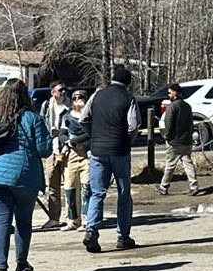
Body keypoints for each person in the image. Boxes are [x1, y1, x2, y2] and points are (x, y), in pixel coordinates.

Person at [0, 79, 51, 271]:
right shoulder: (31, 118)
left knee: (0, 221)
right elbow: (44, 149)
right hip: (23, 176)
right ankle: (22, 265)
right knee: (23, 221)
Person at [82, 61, 140, 254]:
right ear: (128, 83)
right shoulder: (128, 98)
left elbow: (83, 118)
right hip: (120, 151)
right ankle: (123, 236)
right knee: (123, 194)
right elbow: (133, 125)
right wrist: (127, 141)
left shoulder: (97, 95)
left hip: (97, 151)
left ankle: (91, 230)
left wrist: (93, 135)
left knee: (97, 192)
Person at [158, 83, 202, 198]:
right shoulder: (187, 106)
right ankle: (194, 185)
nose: (168, 94)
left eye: (169, 92)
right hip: (186, 140)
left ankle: (164, 186)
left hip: (174, 141)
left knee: (170, 165)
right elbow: (190, 124)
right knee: (187, 162)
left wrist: (167, 136)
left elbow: (169, 123)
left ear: (175, 93)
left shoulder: (172, 107)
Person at [40, 82, 73, 227]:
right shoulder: (47, 106)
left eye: (65, 89)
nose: (63, 92)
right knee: (52, 185)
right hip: (51, 150)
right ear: (53, 92)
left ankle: (72, 217)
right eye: (60, 90)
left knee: (70, 185)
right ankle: (54, 218)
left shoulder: (71, 106)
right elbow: (41, 125)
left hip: (67, 149)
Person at [60, 91, 92, 229]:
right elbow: (61, 134)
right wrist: (68, 142)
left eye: (81, 97)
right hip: (71, 155)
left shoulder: (91, 116)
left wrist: (76, 141)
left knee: (86, 187)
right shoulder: (67, 117)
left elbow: (91, 133)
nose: (78, 100)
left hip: (87, 154)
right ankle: (72, 220)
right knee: (70, 187)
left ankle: (86, 219)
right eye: (75, 98)